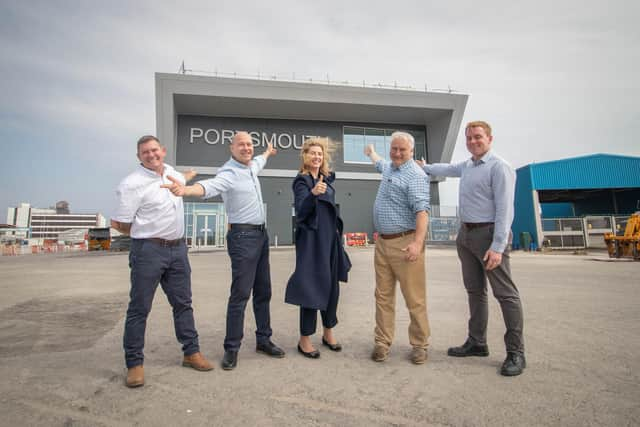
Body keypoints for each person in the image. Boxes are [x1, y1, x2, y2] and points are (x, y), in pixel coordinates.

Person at [162, 131, 285, 370]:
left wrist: (268, 153)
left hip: (261, 236)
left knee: (263, 291)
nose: (247, 148)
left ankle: (264, 340)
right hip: (243, 237)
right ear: (231, 148)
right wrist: (185, 190)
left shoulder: (252, 166)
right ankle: (232, 348)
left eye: (250, 144)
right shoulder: (228, 173)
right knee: (240, 294)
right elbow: (209, 186)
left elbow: (260, 160)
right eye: (241, 145)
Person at [417, 120, 526, 376]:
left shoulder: (499, 168)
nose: (472, 141)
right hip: (466, 235)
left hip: (489, 235)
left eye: (478, 137)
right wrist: (424, 167)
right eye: (469, 138)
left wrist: (498, 246)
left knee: (506, 294)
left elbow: (505, 210)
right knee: (475, 291)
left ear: (489, 138)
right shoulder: (468, 166)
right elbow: (448, 168)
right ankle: (477, 342)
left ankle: (516, 352)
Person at [111, 135, 213, 388]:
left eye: (154, 150)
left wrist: (189, 174)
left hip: (178, 250)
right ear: (139, 157)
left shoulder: (170, 173)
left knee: (183, 304)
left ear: (163, 151)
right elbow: (120, 224)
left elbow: (183, 179)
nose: (151, 155)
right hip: (148, 251)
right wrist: (147, 235)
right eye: (145, 152)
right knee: (139, 309)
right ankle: (134, 364)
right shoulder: (131, 184)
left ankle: (191, 352)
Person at [364, 132, 431, 365]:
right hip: (382, 243)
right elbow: (380, 164)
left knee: (414, 298)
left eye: (402, 150)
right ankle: (382, 342)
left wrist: (417, 244)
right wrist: (371, 153)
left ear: (412, 151)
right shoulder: (390, 167)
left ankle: (420, 345)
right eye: (394, 149)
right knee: (382, 296)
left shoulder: (416, 175)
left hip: (406, 244)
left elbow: (422, 212)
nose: (397, 153)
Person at [285, 137, 351, 358]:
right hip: (311, 240)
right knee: (311, 285)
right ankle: (304, 339)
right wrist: (313, 195)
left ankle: (328, 331)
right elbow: (301, 211)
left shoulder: (327, 179)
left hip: (330, 239)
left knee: (332, 285)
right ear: (305, 156)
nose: (316, 157)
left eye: (320, 154)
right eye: (312, 153)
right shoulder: (301, 181)